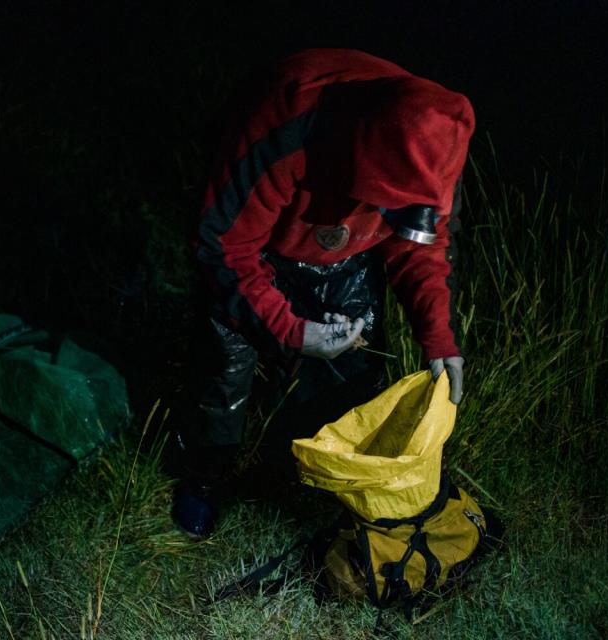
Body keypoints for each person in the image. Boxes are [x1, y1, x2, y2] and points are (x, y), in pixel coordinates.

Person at [173, 48, 474, 538]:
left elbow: (424, 248)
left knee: (350, 382)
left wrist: (440, 339)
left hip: (344, 254)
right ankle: (203, 480)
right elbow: (222, 246)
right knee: (223, 373)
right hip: (256, 246)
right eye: (395, 207)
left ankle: (314, 485)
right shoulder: (287, 122)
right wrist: (292, 332)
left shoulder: (439, 141)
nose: (403, 222)